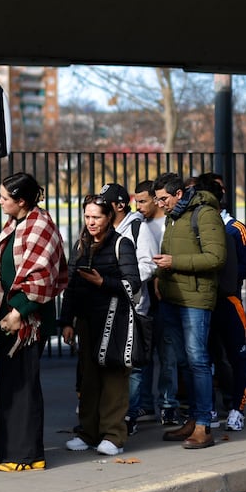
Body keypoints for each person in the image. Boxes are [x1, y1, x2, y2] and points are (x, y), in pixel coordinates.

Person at [0, 172, 68, 472]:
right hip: (12, 319)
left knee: (23, 386)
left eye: (4, 197)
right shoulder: (18, 222)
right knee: (10, 385)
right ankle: (10, 451)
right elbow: (16, 269)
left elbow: (42, 278)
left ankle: (26, 455)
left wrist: (17, 312)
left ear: (22, 201)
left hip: (27, 322)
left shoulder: (42, 225)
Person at [60, 193, 140, 456]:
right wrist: (66, 321)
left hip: (115, 320)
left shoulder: (122, 244)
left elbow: (133, 284)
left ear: (109, 217)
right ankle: (87, 432)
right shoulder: (81, 244)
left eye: (97, 217)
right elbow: (71, 285)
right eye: (87, 217)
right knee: (88, 379)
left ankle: (114, 435)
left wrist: (102, 282)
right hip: (86, 321)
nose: (91, 222)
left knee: (114, 378)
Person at [151, 172, 225, 449]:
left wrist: (174, 262)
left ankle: (204, 424)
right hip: (173, 296)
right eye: (158, 199)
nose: (160, 204)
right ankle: (193, 419)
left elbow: (216, 258)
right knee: (184, 362)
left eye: (164, 199)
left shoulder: (204, 214)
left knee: (198, 360)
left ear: (179, 194)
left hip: (195, 298)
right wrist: (160, 273)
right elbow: (167, 249)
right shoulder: (173, 215)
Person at [194, 173, 246, 431]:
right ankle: (208, 408)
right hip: (204, 302)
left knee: (235, 357)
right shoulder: (192, 226)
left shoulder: (235, 229)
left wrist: (226, 277)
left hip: (229, 300)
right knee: (204, 359)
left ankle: (237, 409)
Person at [95, 182, 154, 436]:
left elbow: (149, 265)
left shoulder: (138, 227)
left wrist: (122, 281)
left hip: (134, 304)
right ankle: (113, 412)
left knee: (134, 363)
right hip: (107, 304)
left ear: (119, 205)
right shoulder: (105, 229)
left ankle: (129, 414)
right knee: (111, 359)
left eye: (104, 203)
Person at [128, 179, 172, 427]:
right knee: (141, 355)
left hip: (164, 294)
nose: (139, 206)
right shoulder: (139, 224)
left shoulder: (168, 223)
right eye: (137, 201)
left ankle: (168, 404)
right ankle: (144, 404)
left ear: (156, 200)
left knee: (167, 354)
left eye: (143, 201)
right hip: (145, 296)